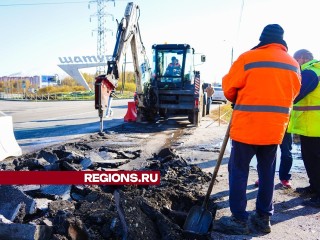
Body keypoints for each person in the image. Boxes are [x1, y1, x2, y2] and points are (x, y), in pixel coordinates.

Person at [216, 24, 301, 235]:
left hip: (246, 127)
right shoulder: (292, 64)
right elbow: (294, 94)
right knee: (267, 172)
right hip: (274, 130)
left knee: (238, 172)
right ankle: (264, 218)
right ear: (282, 40)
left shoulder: (248, 58)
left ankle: (239, 219)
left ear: (262, 38)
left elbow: (228, 89)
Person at [287, 49, 320, 208]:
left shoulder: (309, 73)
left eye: (295, 60)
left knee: (315, 160)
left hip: (314, 127)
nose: (295, 64)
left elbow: (296, 94)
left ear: (302, 59)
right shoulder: (315, 71)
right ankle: (314, 187)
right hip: (312, 126)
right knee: (311, 160)